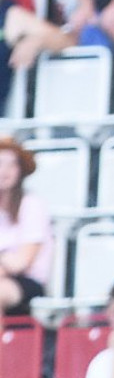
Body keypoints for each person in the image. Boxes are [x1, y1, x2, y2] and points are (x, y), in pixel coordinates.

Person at [0, 133, 52, 313]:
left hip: (28, 282)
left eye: (11, 164)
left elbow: (22, 262)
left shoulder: (32, 205)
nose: (4, 171)